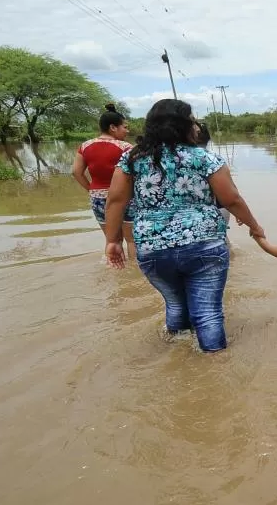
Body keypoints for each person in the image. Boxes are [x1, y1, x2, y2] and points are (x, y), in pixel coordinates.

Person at [103, 99, 264, 352]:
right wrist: (255, 226)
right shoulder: (205, 158)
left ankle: (177, 352)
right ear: (184, 125)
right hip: (204, 244)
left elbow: (115, 200)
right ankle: (214, 366)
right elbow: (230, 199)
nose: (196, 125)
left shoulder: (132, 159)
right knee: (208, 313)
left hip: (153, 248)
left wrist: (112, 241)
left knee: (176, 304)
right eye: (192, 120)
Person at [72, 103, 136, 260]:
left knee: (112, 240)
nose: (127, 131)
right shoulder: (126, 147)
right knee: (132, 240)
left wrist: (91, 190)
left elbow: (76, 172)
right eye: (125, 127)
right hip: (125, 197)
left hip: (98, 198)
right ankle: (136, 275)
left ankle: (115, 272)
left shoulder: (84, 146)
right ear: (113, 128)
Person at [192, 121, 233, 238]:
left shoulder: (174, 160)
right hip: (220, 208)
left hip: (192, 216)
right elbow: (231, 192)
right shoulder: (214, 159)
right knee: (222, 240)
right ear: (208, 139)